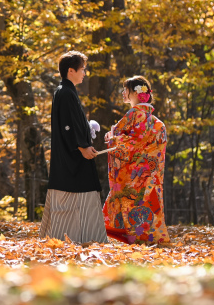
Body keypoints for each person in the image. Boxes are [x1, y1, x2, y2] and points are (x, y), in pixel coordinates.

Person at [39, 51, 108, 243]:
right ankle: (69, 238)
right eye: (82, 69)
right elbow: (67, 125)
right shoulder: (65, 93)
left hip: (73, 153)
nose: (85, 73)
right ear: (71, 70)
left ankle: (84, 237)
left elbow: (73, 123)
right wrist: (82, 146)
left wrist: (86, 134)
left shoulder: (67, 91)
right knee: (71, 196)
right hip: (72, 156)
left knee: (78, 196)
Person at [103, 75, 169, 244]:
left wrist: (112, 138)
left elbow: (128, 143)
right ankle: (150, 237)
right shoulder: (157, 123)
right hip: (151, 176)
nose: (123, 93)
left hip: (132, 175)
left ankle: (126, 237)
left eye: (126, 90)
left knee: (127, 201)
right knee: (149, 203)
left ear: (135, 93)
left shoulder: (134, 114)